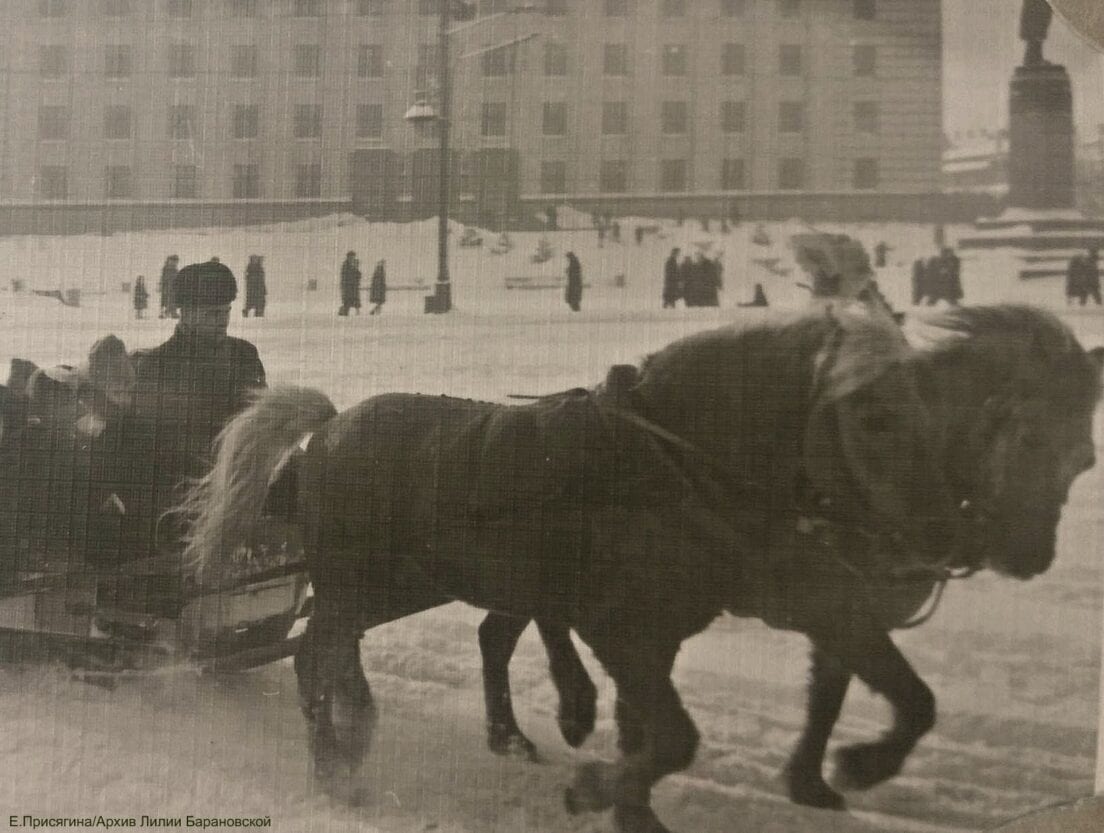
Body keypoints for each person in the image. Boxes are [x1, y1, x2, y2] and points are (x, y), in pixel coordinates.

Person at [106, 259, 266, 566]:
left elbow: (260, 416)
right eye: (212, 314)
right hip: (183, 484)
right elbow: (150, 444)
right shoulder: (159, 365)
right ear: (187, 314)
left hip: (238, 477)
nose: (223, 321)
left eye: (226, 312)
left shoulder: (244, 356)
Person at [339, 251, 362, 316]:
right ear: (348, 257)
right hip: (347, 286)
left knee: (356, 300)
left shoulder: (354, 265)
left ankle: (357, 314)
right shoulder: (345, 265)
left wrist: (356, 270)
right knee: (347, 301)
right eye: (351, 257)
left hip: (354, 286)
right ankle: (344, 313)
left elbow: (359, 275)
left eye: (353, 257)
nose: (352, 258)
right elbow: (344, 276)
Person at [159, 255, 179, 319]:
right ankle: (165, 313)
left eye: (176, 261)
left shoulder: (175, 269)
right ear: (170, 261)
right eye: (174, 261)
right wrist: (163, 286)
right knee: (166, 300)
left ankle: (172, 312)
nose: (175, 263)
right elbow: (163, 278)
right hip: (167, 287)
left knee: (173, 300)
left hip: (174, 287)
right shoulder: (166, 268)